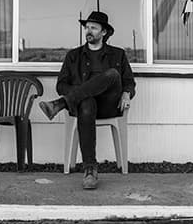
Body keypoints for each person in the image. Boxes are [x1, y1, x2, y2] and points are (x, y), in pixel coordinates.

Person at [38, 11, 136, 189]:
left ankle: (59, 104)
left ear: (104, 32)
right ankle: (90, 170)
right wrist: (82, 93)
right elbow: (61, 85)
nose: (88, 31)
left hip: (109, 105)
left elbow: (128, 81)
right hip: (85, 107)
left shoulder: (118, 54)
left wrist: (127, 93)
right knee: (86, 101)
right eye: (87, 27)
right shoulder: (73, 56)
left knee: (113, 74)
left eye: (93, 28)